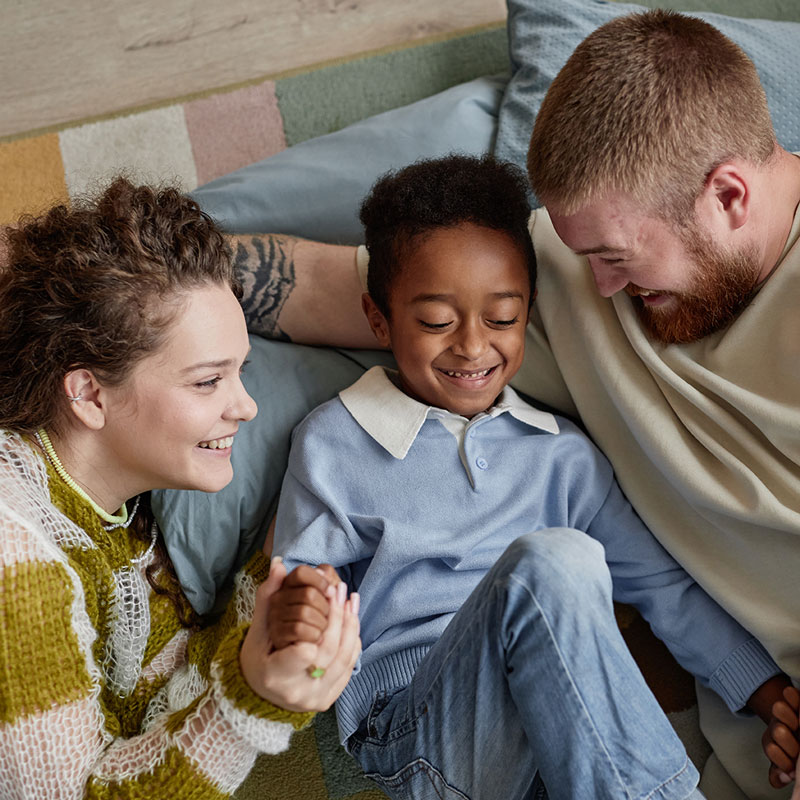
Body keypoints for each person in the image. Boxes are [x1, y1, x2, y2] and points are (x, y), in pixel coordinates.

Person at [225, 10, 800, 799]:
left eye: (614, 258)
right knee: (555, 565)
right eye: (585, 257)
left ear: (729, 196)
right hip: (427, 733)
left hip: (576, 746)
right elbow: (299, 590)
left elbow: (663, 592)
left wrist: (765, 691)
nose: (601, 287)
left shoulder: (561, 455)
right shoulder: (349, 427)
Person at [0, 177, 360, 798]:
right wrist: (251, 704)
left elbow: (167, 693)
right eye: (206, 382)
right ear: (89, 395)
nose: (246, 407)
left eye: (239, 372)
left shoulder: (125, 511)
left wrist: (272, 598)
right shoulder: (15, 552)